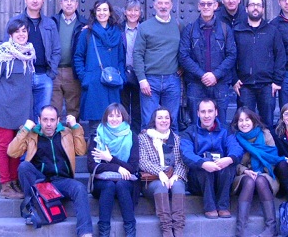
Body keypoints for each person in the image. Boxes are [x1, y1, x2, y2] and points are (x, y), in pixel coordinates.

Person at [7, 105, 93, 237]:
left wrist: (76, 127)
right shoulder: (32, 135)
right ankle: (33, 207)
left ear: (58, 120)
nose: (48, 124)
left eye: (52, 120)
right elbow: (12, 152)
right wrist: (25, 129)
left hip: (62, 181)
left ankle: (85, 233)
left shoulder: (66, 133)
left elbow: (81, 151)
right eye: (45, 119)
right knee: (24, 167)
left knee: (80, 188)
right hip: (41, 182)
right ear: (39, 119)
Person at [0, 19, 36, 199]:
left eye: (24, 31)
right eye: (17, 32)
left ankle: (14, 181)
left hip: (22, 110)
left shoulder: (29, 53)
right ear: (11, 35)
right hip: (4, 107)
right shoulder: (3, 53)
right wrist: (1, 98)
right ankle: (5, 185)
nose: (21, 34)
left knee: (18, 147)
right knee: (4, 146)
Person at [179, 0, 236, 126]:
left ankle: (219, 148)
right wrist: (202, 75)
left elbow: (232, 55)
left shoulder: (225, 29)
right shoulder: (190, 29)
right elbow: (183, 56)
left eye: (209, 4)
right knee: (195, 124)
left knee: (220, 124)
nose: (206, 7)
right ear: (198, 6)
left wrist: (215, 75)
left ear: (215, 6)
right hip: (195, 84)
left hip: (220, 83)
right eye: (203, 4)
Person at [180, 99, 243, 219]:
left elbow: (236, 148)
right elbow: (186, 153)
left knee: (229, 165)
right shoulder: (189, 132)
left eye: (210, 111)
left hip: (221, 177)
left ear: (216, 112)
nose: (207, 115)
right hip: (199, 181)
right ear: (198, 113)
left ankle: (223, 206)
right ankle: (210, 207)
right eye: (203, 112)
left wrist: (228, 159)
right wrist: (203, 163)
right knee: (203, 168)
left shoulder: (226, 130)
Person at [5, 0, 61, 122]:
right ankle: (24, 143)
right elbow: (6, 47)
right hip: (22, 76)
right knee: (22, 116)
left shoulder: (50, 23)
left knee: (42, 117)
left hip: (44, 76)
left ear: (43, 0)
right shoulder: (15, 22)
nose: (35, 0)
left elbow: (56, 50)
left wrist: (51, 73)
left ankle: (38, 143)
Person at [74, 0, 126, 139]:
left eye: (105, 10)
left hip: (113, 85)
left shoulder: (117, 33)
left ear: (110, 13)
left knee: (113, 125)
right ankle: (94, 159)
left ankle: (111, 160)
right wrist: (86, 78)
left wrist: (122, 78)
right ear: (94, 12)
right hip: (94, 84)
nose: (102, 13)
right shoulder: (87, 33)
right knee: (95, 129)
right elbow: (78, 57)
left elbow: (121, 58)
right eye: (99, 10)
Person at [232, 0, 286, 129]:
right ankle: (246, 150)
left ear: (263, 9)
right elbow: (230, 56)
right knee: (244, 123)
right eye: (252, 5)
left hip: (267, 86)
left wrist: (277, 81)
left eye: (258, 5)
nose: (255, 8)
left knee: (266, 123)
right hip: (245, 86)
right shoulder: (237, 31)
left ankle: (266, 149)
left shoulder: (272, 31)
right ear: (246, 9)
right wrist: (233, 79)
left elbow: (280, 56)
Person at [230, 107, 285, 237]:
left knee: (260, 180)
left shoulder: (265, 134)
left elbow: (272, 157)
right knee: (249, 181)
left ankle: (271, 228)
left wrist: (260, 171)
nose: (244, 123)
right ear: (237, 123)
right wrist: (246, 171)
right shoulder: (235, 138)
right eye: (240, 121)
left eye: (247, 119)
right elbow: (233, 162)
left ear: (253, 120)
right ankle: (241, 230)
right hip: (242, 177)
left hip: (265, 174)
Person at [87, 103, 139, 237]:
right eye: (111, 115)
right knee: (109, 185)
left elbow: (133, 168)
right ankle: (104, 232)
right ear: (106, 117)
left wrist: (110, 158)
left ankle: (130, 231)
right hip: (103, 183)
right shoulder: (97, 136)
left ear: (123, 118)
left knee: (121, 185)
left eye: (118, 115)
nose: (114, 119)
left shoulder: (131, 136)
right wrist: (117, 167)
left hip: (126, 181)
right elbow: (92, 166)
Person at [133, 0, 181, 132]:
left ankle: (173, 151)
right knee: (149, 122)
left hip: (172, 80)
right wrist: (142, 80)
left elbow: (185, 49)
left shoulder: (179, 25)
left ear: (171, 5)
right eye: (160, 3)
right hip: (150, 81)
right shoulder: (145, 27)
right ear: (154, 5)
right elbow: (138, 53)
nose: (163, 6)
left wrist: (182, 67)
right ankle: (148, 152)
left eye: (166, 3)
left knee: (171, 121)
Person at [139, 107, 188, 237]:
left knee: (178, 186)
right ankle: (166, 229)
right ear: (154, 120)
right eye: (160, 118)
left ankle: (178, 229)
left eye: (166, 117)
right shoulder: (144, 138)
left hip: (173, 176)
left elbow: (181, 163)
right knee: (161, 187)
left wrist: (175, 176)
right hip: (152, 180)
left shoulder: (176, 139)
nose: (163, 120)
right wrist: (160, 172)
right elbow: (142, 161)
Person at [51, 0, 87, 120]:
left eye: (72, 0)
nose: (69, 3)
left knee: (73, 110)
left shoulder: (84, 24)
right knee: (54, 110)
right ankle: (57, 139)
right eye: (66, 0)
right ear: (61, 3)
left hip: (73, 72)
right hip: (54, 71)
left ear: (77, 4)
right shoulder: (51, 22)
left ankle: (72, 138)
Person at [120, 0, 143, 134]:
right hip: (123, 72)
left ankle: (135, 135)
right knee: (122, 106)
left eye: (136, 10)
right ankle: (123, 134)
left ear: (140, 13)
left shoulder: (145, 29)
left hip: (139, 74)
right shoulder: (118, 29)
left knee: (137, 107)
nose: (133, 13)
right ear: (125, 12)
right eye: (130, 10)